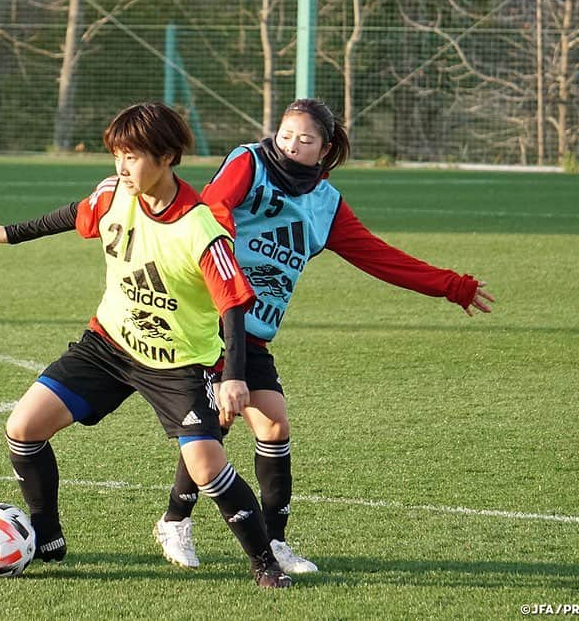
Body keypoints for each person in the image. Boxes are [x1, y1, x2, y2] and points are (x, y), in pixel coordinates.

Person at [153, 98, 495, 575]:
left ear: (325, 149)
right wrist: (226, 257)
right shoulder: (249, 162)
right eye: (286, 134)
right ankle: (178, 522)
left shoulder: (326, 204)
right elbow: (214, 207)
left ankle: (269, 542)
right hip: (211, 320)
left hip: (254, 334)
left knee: (270, 426)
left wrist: (451, 286)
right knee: (218, 425)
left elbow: (379, 256)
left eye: (305, 140)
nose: (291, 146)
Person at [0, 102, 292, 588]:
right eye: (117, 155)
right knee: (23, 427)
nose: (122, 168)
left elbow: (232, 303)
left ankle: (263, 563)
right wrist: (9, 233)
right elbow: (73, 215)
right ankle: (47, 533)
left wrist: (233, 376)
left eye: (133, 157)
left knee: (207, 469)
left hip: (179, 363)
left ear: (167, 158)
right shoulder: (113, 194)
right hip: (108, 344)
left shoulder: (201, 227)